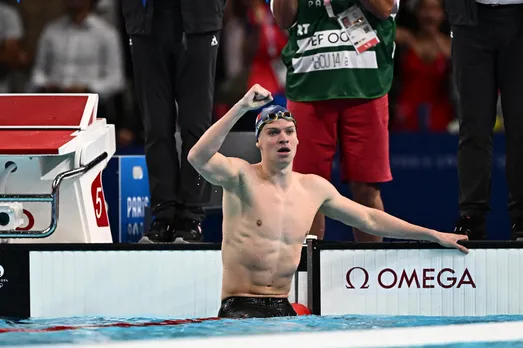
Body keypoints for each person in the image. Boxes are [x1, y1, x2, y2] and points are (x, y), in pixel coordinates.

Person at [187, 84, 469, 319]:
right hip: (240, 307)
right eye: (273, 133)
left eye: (289, 132)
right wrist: (241, 107)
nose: (283, 138)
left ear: (298, 141)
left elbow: (369, 218)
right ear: (259, 142)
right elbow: (197, 157)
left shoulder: (313, 188)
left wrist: (431, 235)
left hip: (283, 307)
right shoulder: (241, 177)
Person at [270, 0, 399, 242]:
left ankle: (368, 273)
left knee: (367, 189)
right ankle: (311, 274)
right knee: (308, 190)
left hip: (366, 84)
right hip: (309, 86)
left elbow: (383, 8)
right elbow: (283, 18)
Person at [121, 0, 226, 243]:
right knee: (155, 125)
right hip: (145, 20)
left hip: (199, 19)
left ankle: (191, 215)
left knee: (196, 126)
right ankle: (163, 212)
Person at [444, 0, 523, 240]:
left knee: (521, 127)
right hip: (470, 20)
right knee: (473, 126)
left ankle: (521, 216)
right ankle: (471, 215)